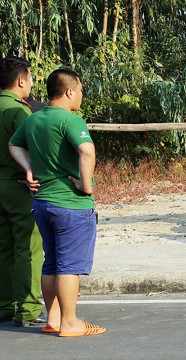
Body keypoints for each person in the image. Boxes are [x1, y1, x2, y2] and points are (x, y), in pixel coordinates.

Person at [9, 69, 106, 336]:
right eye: (81, 90)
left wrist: (29, 168)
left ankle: (53, 319)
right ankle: (70, 322)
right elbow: (87, 150)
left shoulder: (34, 119)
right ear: (69, 92)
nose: (82, 96)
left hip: (42, 203)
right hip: (70, 204)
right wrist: (86, 185)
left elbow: (13, 144)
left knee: (51, 262)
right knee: (69, 266)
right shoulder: (71, 120)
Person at [0, 56, 46, 327]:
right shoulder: (20, 112)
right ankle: (27, 309)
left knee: (3, 246)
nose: (31, 82)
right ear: (20, 80)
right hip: (18, 186)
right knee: (28, 246)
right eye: (30, 77)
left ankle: (4, 305)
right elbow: (36, 150)